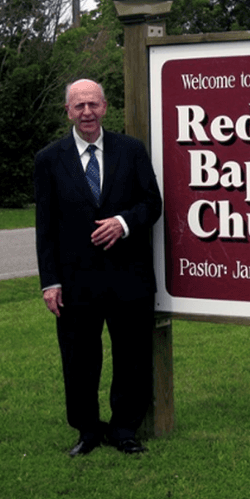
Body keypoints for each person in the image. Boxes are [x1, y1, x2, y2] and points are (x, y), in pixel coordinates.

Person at [34, 79, 162, 456]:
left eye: (93, 104)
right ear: (68, 112)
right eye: (79, 106)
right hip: (75, 281)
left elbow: (152, 203)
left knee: (132, 357)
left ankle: (125, 429)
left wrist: (123, 223)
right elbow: (45, 227)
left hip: (129, 277)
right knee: (79, 360)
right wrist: (50, 281)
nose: (87, 112)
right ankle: (87, 430)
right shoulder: (49, 159)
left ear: (105, 107)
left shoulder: (131, 150)